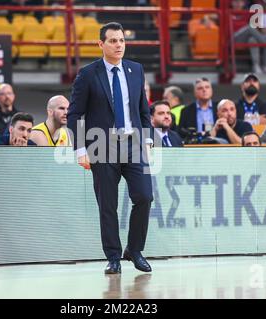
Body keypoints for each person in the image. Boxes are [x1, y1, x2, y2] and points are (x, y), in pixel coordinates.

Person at [67, 22, 153, 274]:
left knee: (145, 197)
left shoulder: (136, 70)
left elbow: (143, 109)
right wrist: (80, 149)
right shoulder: (88, 73)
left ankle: (134, 250)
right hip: (101, 147)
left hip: (134, 144)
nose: (118, 45)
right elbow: (74, 114)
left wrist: (147, 141)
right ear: (101, 44)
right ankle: (113, 256)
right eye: (113, 41)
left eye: (122, 41)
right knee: (108, 205)